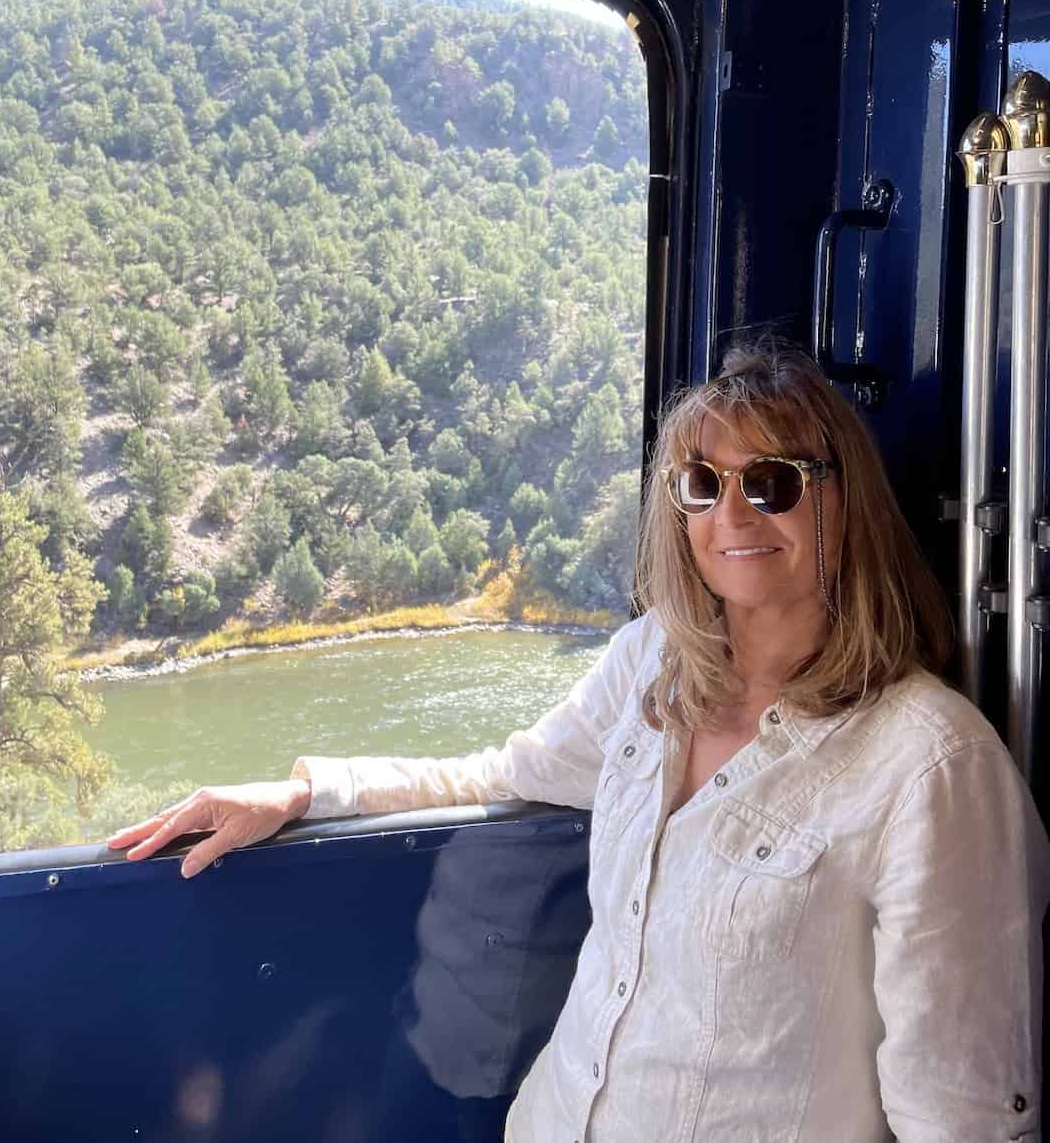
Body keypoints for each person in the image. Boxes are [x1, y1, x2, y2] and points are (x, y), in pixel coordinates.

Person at [109, 341, 1049, 1141]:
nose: (731, 515)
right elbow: (504, 771)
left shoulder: (932, 767)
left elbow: (959, 1113)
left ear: (847, 505)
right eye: (701, 483)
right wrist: (304, 794)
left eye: (773, 483)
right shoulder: (651, 667)